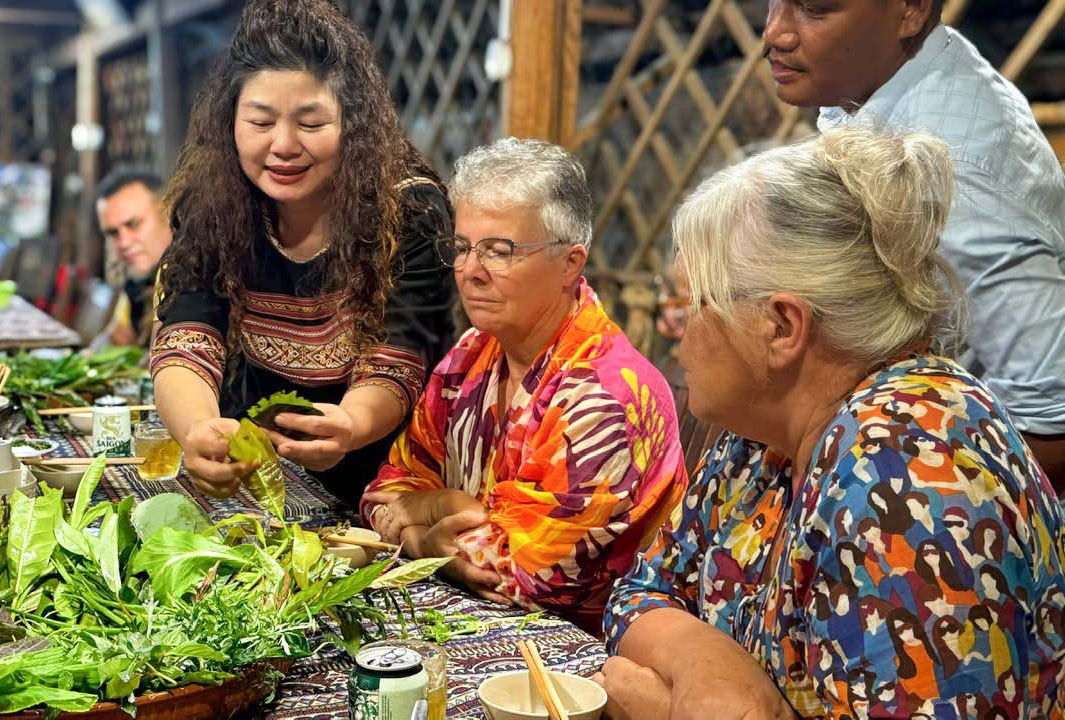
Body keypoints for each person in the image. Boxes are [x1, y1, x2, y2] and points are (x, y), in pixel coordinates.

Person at [598, 128, 1065, 719]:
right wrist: (702, 660)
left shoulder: (908, 471)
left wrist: (665, 707)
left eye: (699, 305)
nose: (680, 334)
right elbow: (643, 591)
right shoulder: (762, 440)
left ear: (782, 327)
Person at [361, 139, 687, 633]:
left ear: (570, 264)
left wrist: (421, 529)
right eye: (463, 248)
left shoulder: (604, 397)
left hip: (588, 659)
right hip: (471, 624)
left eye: (498, 251)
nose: (471, 272)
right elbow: (385, 491)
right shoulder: (470, 356)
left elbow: (522, 576)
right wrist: (440, 516)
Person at [150, 0, 453, 506]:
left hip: (385, 484)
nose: (284, 145)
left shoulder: (410, 209)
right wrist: (199, 430)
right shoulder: (211, 204)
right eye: (261, 122)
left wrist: (353, 424)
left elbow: (401, 353)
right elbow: (187, 332)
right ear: (231, 123)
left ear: (352, 124)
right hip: (255, 476)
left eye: (311, 123)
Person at [763, 0, 1065, 483]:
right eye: (771, 3)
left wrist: (873, 493)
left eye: (815, 9)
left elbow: (1052, 421)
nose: (774, 33)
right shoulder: (883, 89)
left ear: (910, 10)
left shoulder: (953, 172)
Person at [91, 167, 172, 349]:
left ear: (168, 214)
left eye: (133, 224)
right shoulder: (138, 285)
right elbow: (113, 340)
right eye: (113, 233)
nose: (124, 242)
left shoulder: (200, 281)